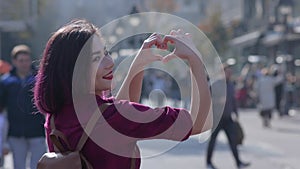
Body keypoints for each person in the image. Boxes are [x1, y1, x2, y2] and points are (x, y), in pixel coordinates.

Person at [34, 19, 212, 169]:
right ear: (74, 69)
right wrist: (195, 60)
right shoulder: (113, 116)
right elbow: (200, 123)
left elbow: (117, 125)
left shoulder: (57, 115)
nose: (109, 62)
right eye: (96, 58)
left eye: (106, 52)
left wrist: (137, 66)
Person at [0, 45, 46, 169]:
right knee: (18, 166)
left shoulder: (39, 80)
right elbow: (2, 110)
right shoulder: (6, 82)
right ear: (14, 61)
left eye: (26, 60)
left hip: (37, 133)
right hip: (15, 134)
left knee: (37, 166)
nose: (24, 64)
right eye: (21, 60)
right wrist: (3, 141)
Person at [206, 64, 250, 169]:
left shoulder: (230, 85)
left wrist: (236, 113)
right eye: (227, 72)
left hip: (228, 118)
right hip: (217, 118)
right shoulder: (215, 84)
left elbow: (233, 100)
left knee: (233, 141)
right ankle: (208, 162)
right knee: (213, 141)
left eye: (230, 72)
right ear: (222, 72)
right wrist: (218, 101)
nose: (229, 74)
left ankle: (238, 163)